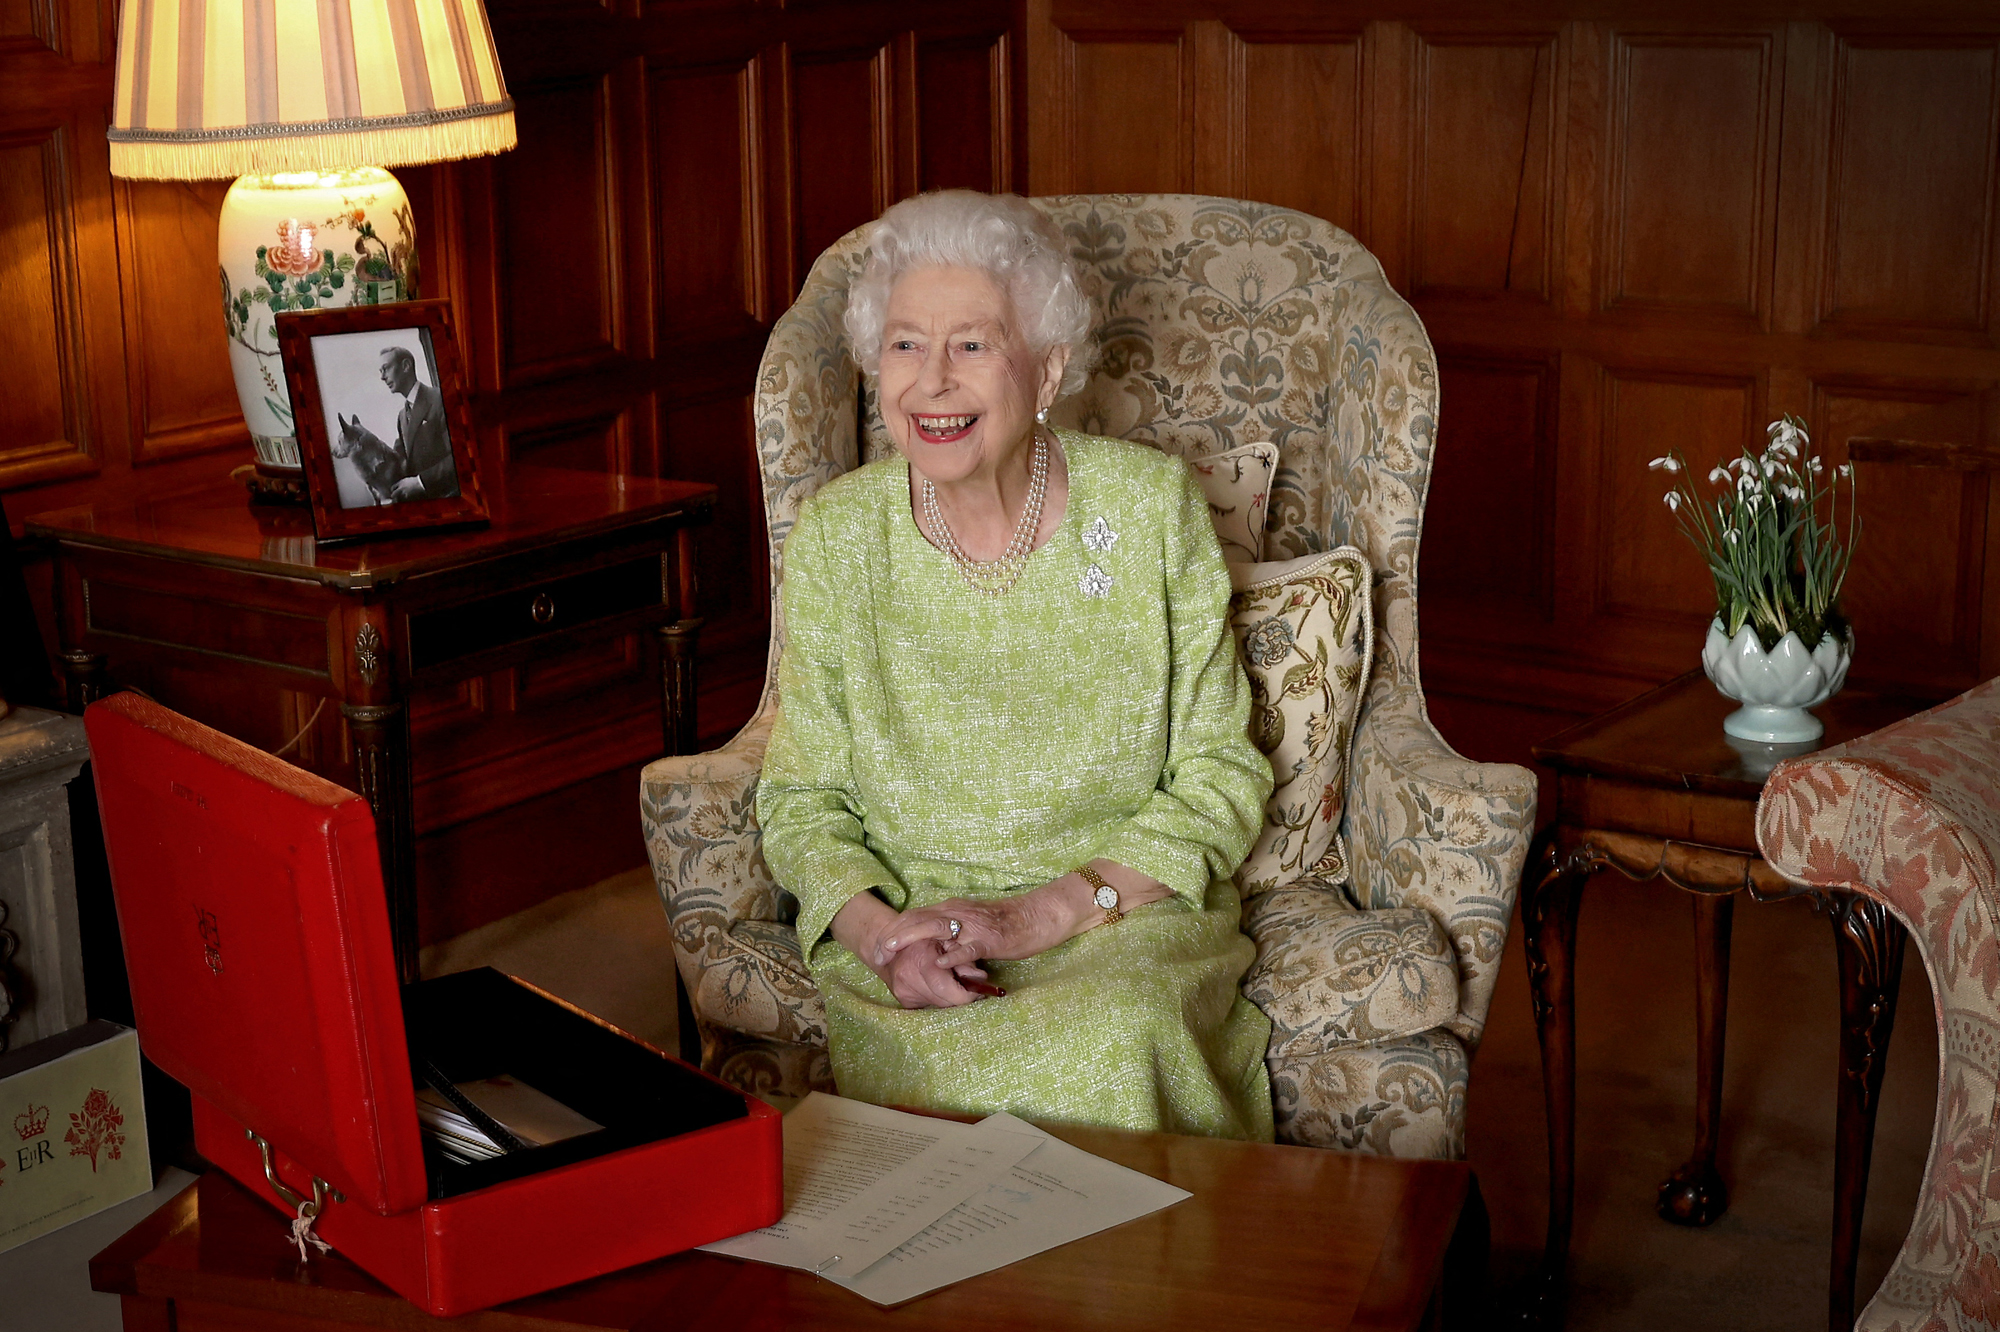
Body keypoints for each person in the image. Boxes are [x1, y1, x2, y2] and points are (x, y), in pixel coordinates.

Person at [755, 191, 1276, 1140]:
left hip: (1121, 918)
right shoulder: (837, 537)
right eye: (906, 345)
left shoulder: (1151, 509)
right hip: (915, 938)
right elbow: (802, 804)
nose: (933, 383)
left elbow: (1219, 774)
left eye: (973, 345)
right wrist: (883, 942)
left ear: (1047, 370)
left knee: (1116, 1042)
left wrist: (1040, 918)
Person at [378, 346, 457, 502]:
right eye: (380, 371)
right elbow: (399, 460)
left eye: (386, 369)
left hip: (449, 497)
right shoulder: (401, 417)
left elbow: (459, 457)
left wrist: (421, 482)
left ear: (406, 366)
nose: (382, 377)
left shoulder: (441, 399)